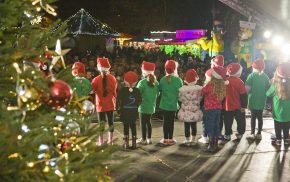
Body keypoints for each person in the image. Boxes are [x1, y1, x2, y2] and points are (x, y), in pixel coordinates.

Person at [91, 57, 117, 146]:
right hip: (110, 103)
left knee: (101, 124)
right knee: (111, 123)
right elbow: (114, 92)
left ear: (99, 68)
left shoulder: (96, 79)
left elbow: (92, 90)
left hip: (100, 105)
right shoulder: (113, 78)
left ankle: (101, 141)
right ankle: (110, 141)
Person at [201, 66, 227, 152]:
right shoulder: (222, 85)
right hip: (218, 109)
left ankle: (211, 145)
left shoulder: (210, 84)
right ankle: (215, 143)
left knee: (209, 126)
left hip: (209, 109)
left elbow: (202, 91)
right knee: (216, 126)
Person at [159, 60, 183, 145]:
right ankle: (171, 139)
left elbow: (160, 90)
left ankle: (165, 139)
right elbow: (181, 92)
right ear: (175, 69)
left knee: (165, 122)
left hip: (164, 105)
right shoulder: (179, 80)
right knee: (171, 122)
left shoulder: (162, 80)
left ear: (165, 69)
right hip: (173, 105)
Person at [266, 62, 290, 146]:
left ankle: (279, 140)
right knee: (287, 126)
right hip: (288, 113)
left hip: (277, 112)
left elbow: (268, 94)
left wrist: (270, 84)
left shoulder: (275, 84)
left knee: (278, 126)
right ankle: (287, 139)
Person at [245, 59, 269, 140]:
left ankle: (252, 133)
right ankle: (259, 133)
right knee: (260, 117)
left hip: (252, 101)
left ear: (254, 67)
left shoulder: (251, 76)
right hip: (262, 101)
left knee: (253, 117)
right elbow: (268, 88)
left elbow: (247, 89)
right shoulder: (265, 76)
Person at [178, 69, 203, 146]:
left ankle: (187, 139)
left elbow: (179, 99)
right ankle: (193, 139)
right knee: (193, 125)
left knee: (186, 126)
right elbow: (201, 98)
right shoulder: (199, 89)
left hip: (185, 112)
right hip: (195, 111)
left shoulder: (182, 89)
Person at [137, 61, 159, 145]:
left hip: (143, 106)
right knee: (149, 122)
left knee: (143, 123)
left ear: (144, 71)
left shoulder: (142, 82)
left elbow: (137, 93)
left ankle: (143, 139)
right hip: (151, 106)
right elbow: (158, 93)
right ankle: (149, 138)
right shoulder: (156, 82)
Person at [223, 63, 247, 141]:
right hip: (238, 106)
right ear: (238, 73)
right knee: (240, 120)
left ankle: (227, 134)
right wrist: (244, 106)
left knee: (227, 121)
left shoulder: (225, 81)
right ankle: (240, 133)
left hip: (227, 105)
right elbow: (243, 95)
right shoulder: (240, 82)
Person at [118, 71, 141, 150]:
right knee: (133, 126)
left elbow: (119, 100)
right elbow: (140, 100)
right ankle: (134, 143)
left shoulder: (122, 90)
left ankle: (126, 143)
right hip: (134, 111)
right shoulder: (137, 90)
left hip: (125, 111)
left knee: (126, 126)